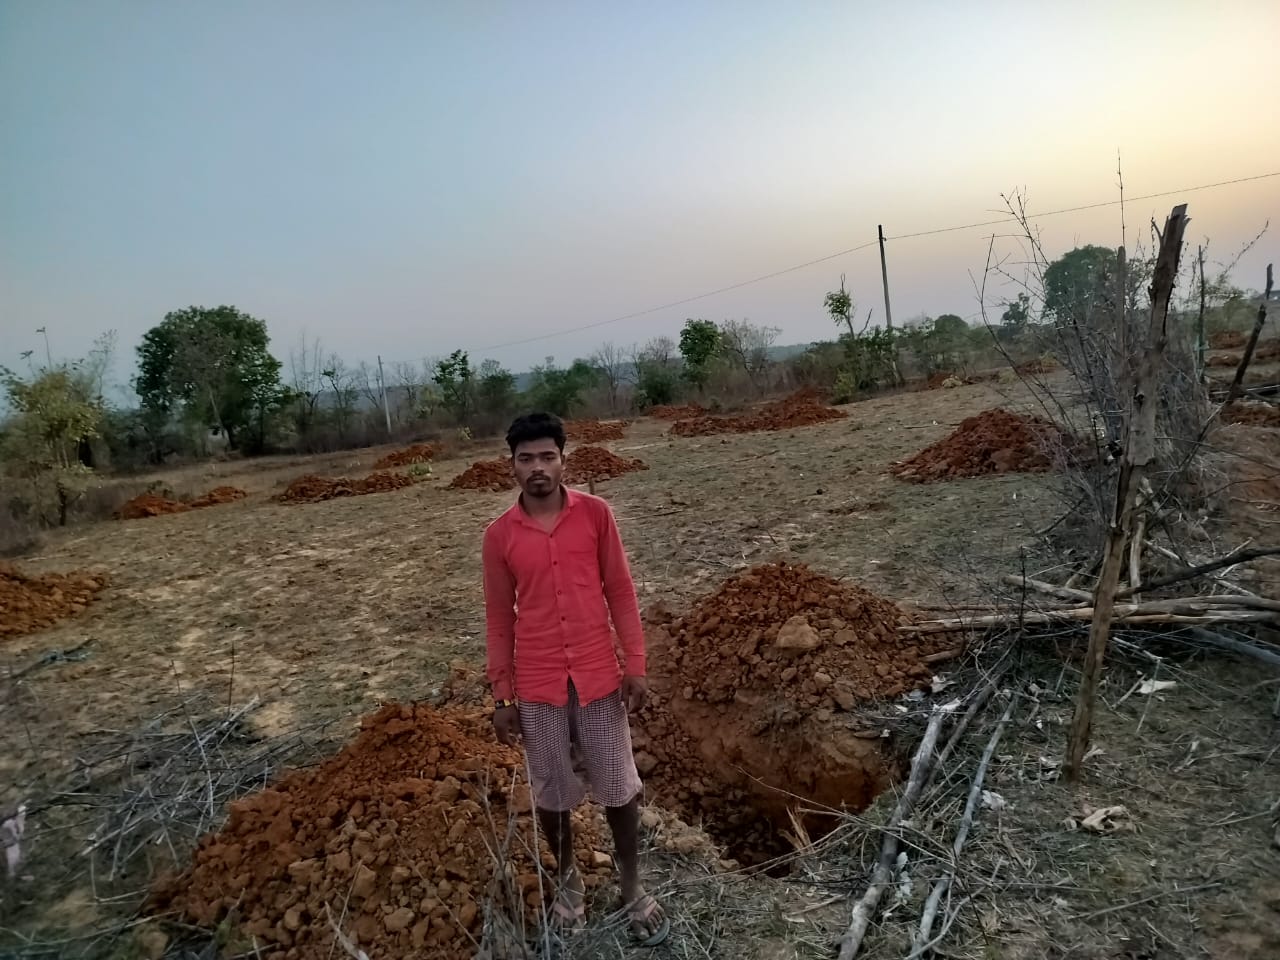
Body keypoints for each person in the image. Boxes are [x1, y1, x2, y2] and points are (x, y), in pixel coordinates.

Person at [483, 412, 669, 946]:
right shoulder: (499, 537)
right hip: (538, 682)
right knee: (552, 789)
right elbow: (499, 619)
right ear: (512, 466)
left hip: (597, 676)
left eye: (547, 456)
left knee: (617, 783)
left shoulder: (595, 515)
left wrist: (635, 664)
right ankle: (568, 881)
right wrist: (503, 695)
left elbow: (621, 590)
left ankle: (631, 884)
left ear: (563, 460)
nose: (537, 468)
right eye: (526, 459)